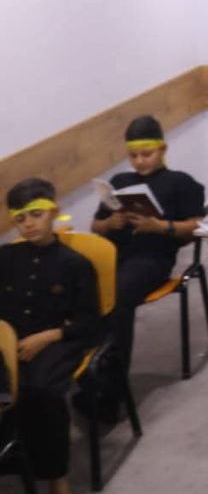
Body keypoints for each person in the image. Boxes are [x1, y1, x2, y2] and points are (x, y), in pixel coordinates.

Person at [87, 115, 204, 419]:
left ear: (162, 149)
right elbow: (95, 226)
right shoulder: (120, 182)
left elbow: (197, 227)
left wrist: (160, 227)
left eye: (146, 154)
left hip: (152, 257)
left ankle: (112, 390)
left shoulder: (181, 182)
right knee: (82, 292)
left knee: (118, 298)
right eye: (133, 156)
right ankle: (88, 376)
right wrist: (110, 223)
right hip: (115, 254)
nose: (139, 161)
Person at [0, 179, 102, 494]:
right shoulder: (5, 257)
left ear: (53, 212)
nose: (28, 224)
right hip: (9, 340)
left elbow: (91, 323)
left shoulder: (75, 264)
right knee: (6, 388)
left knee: (41, 389)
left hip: (58, 339)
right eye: (20, 219)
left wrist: (47, 337)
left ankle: (55, 474)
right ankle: (12, 456)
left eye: (36, 215)